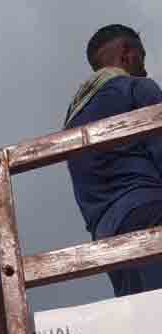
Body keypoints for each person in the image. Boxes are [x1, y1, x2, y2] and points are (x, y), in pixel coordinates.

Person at [65, 24, 162, 297]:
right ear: (127, 53)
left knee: (145, 313)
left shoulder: (73, 118)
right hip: (150, 212)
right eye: (142, 58)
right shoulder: (136, 87)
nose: (144, 69)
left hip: (107, 237)